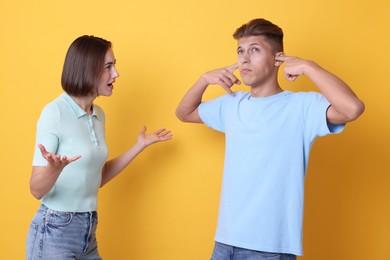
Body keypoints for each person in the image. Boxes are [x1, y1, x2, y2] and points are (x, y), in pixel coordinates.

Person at [176, 18, 364, 259]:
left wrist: (309, 67)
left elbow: (352, 109)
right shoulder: (232, 104)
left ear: (278, 58)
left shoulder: (301, 106)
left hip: (270, 249)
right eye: (240, 51)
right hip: (224, 243)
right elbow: (184, 113)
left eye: (255, 50)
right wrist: (204, 79)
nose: (244, 59)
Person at [26, 35, 172, 259]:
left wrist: (139, 146)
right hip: (54, 230)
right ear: (88, 69)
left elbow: (98, 176)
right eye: (108, 67)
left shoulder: (98, 114)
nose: (116, 73)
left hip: (87, 229)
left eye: (115, 65)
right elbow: (36, 189)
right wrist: (54, 169)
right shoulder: (54, 112)